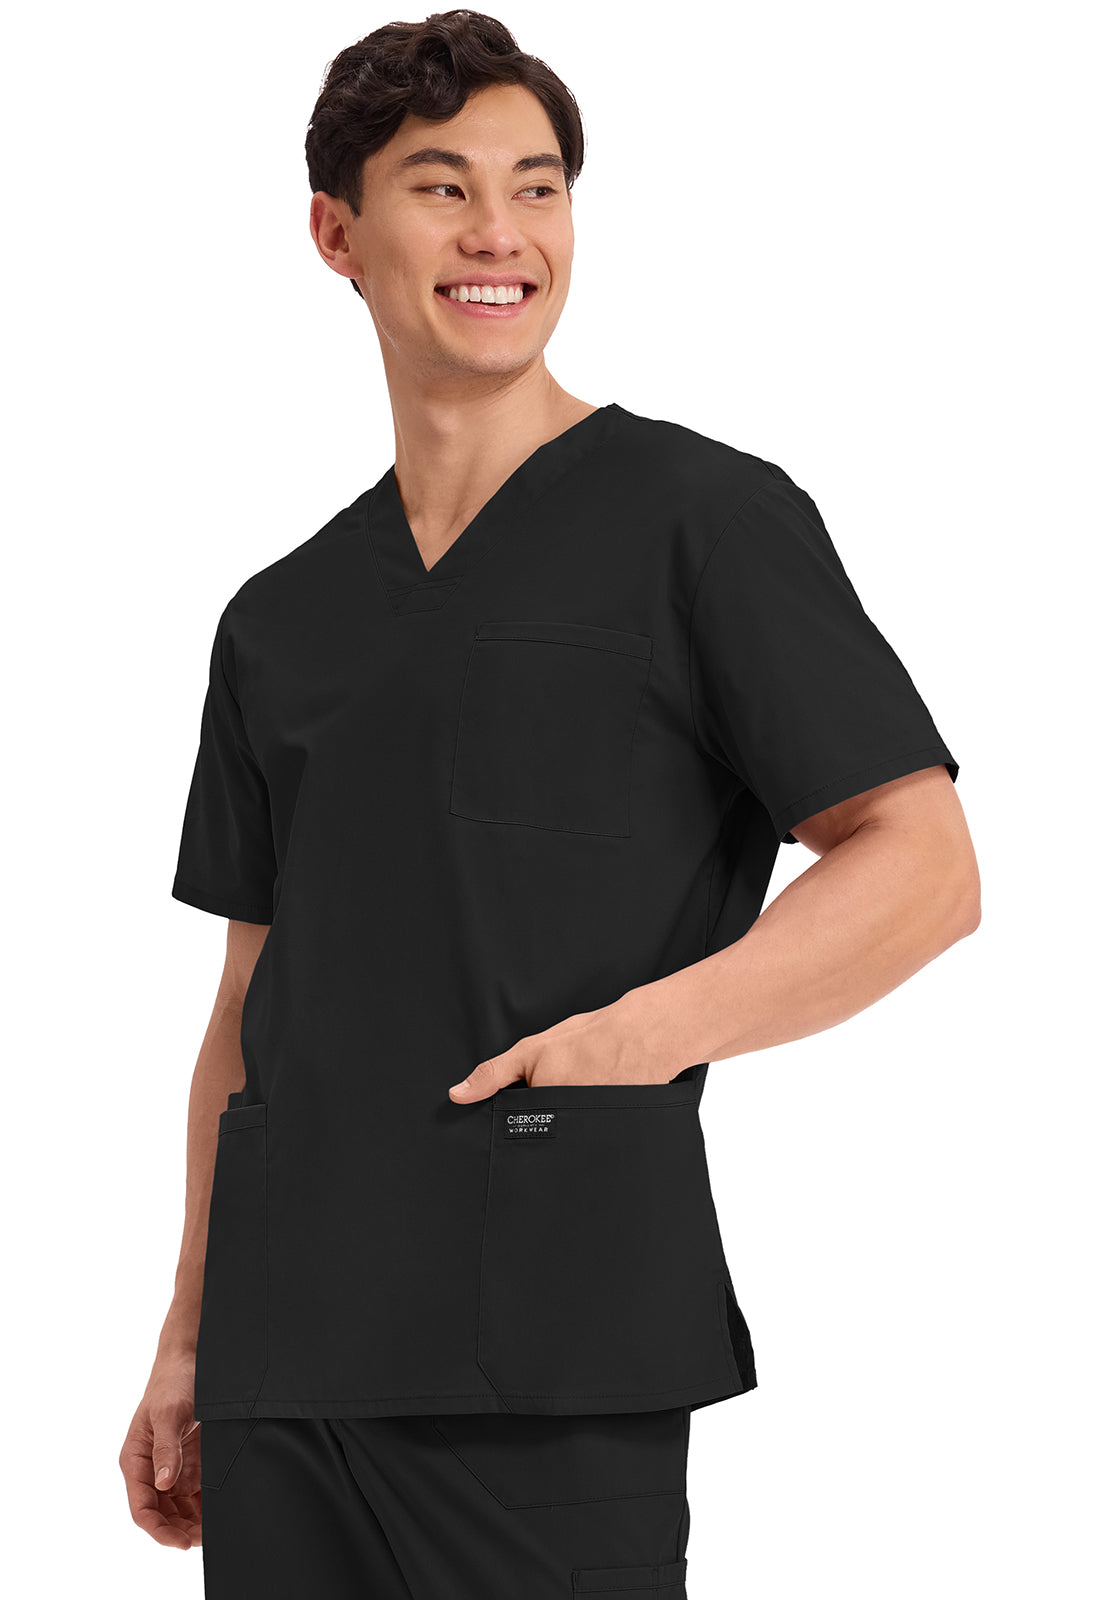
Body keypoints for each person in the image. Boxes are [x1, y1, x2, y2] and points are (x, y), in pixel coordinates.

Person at [118, 11, 980, 1597]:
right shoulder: (281, 618)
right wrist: (188, 1334)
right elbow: (249, 998)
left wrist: (634, 1041)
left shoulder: (701, 521)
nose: (501, 233)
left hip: (551, 1343)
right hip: (285, 1363)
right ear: (337, 234)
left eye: (538, 187)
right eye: (442, 188)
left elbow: (922, 864)